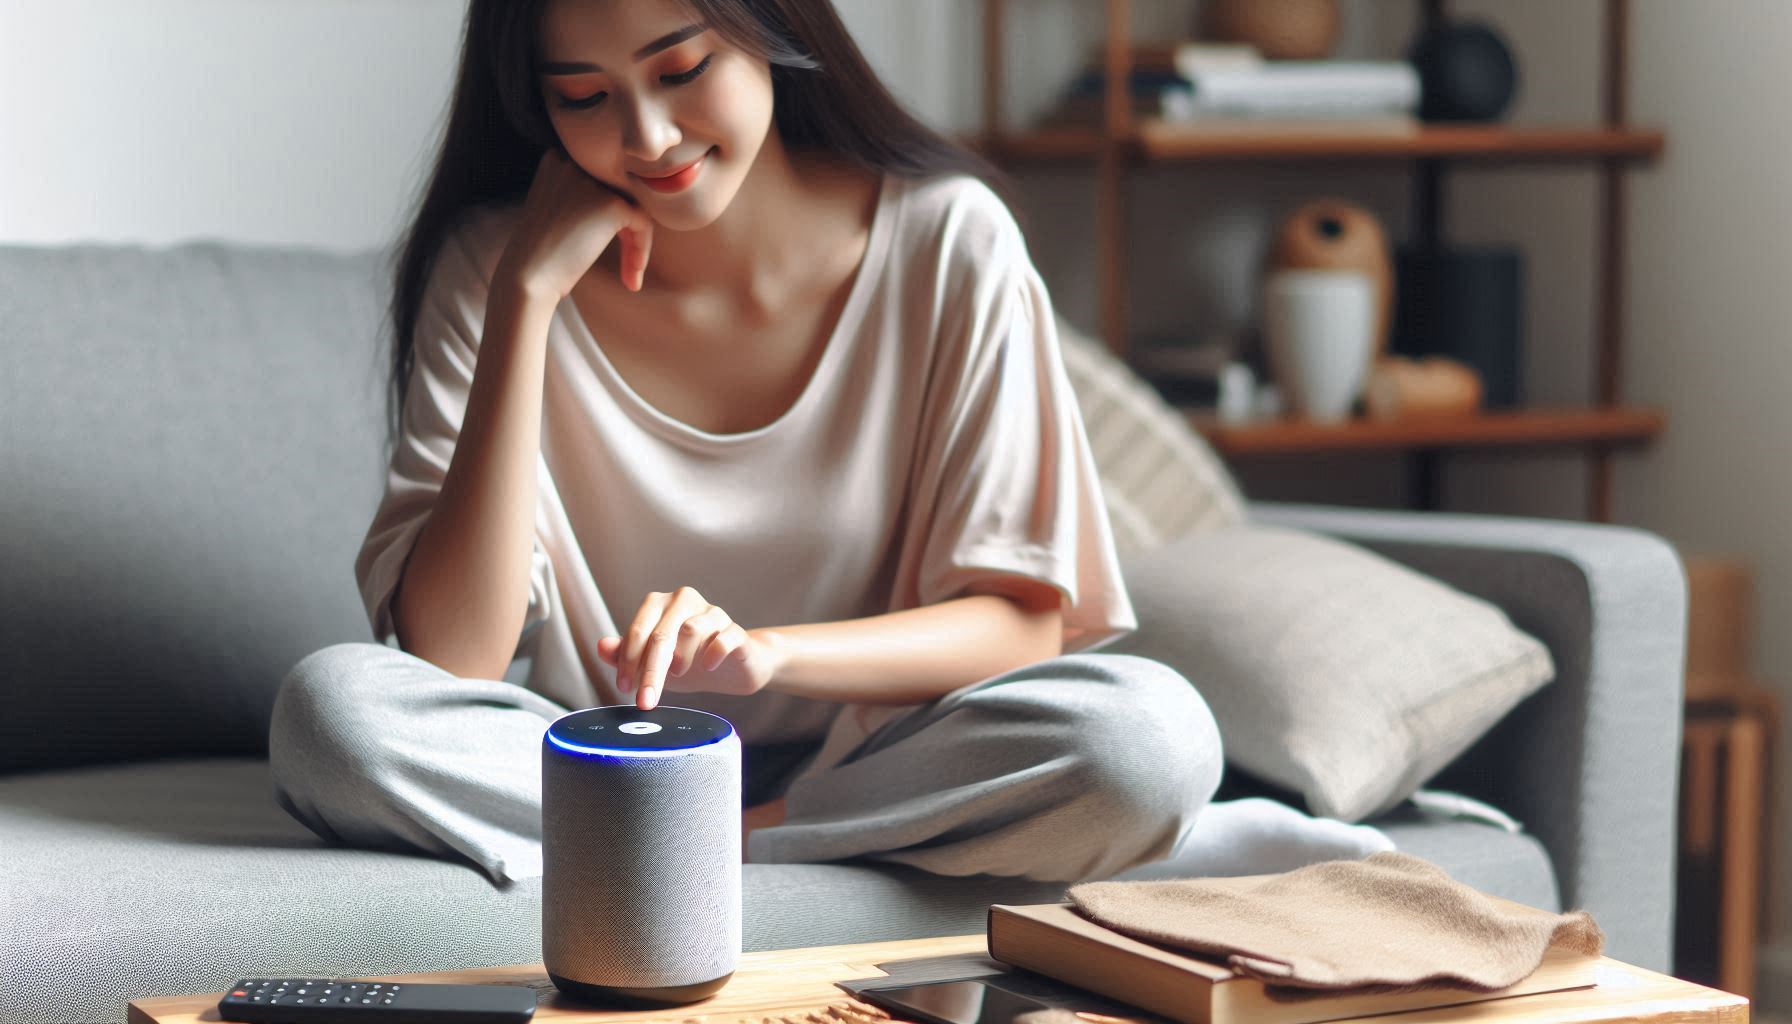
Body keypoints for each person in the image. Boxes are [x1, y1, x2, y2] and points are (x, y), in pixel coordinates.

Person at [270, 0, 1222, 888]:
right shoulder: (495, 267)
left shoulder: (949, 242)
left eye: (681, 69)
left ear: (769, 26)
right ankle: (757, 846)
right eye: (585, 97)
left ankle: (721, 843)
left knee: (1146, 738)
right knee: (336, 717)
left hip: (874, 763)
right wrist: (526, 300)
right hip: (603, 765)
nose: (647, 137)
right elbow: (450, 660)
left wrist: (767, 654)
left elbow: (1020, 625)